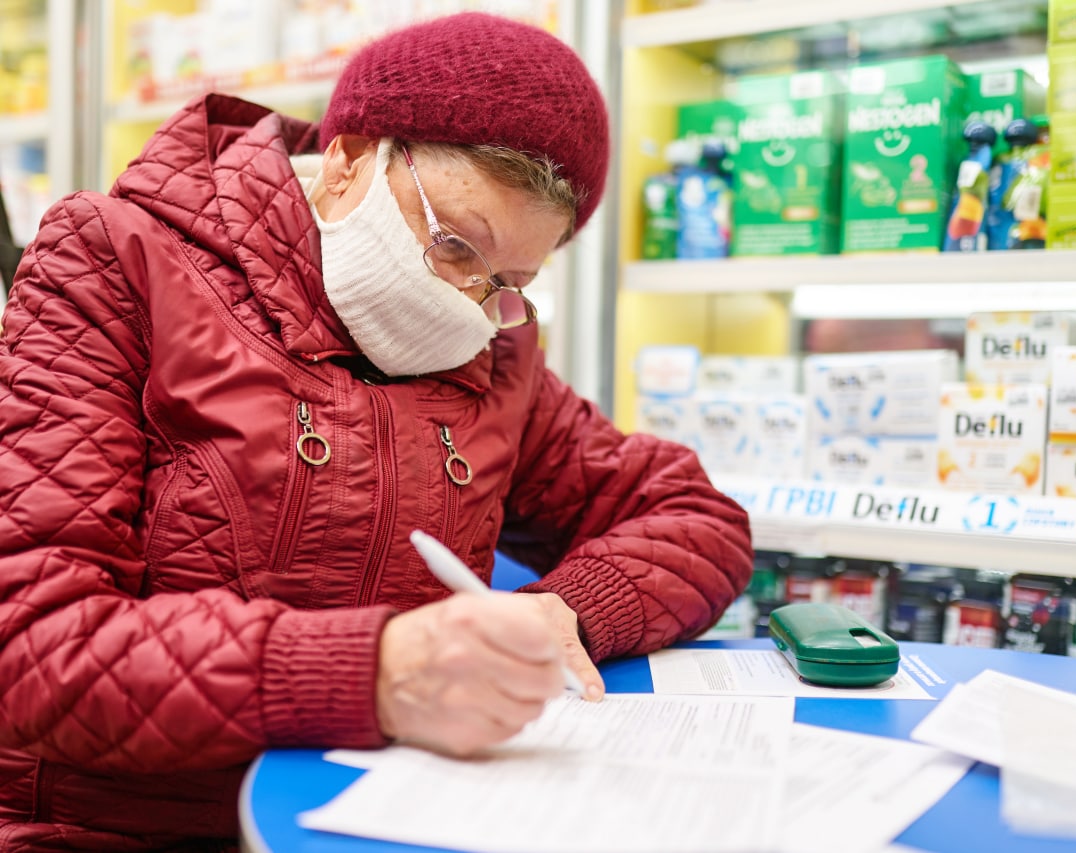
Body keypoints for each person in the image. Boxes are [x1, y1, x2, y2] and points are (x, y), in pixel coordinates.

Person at [0, 12, 753, 850]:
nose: (465, 299)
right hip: (120, 828)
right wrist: (378, 669)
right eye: (455, 246)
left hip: (387, 815)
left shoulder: (490, 356)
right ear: (351, 158)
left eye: (506, 280)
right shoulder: (117, 262)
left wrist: (565, 612)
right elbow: (33, 644)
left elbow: (696, 516)